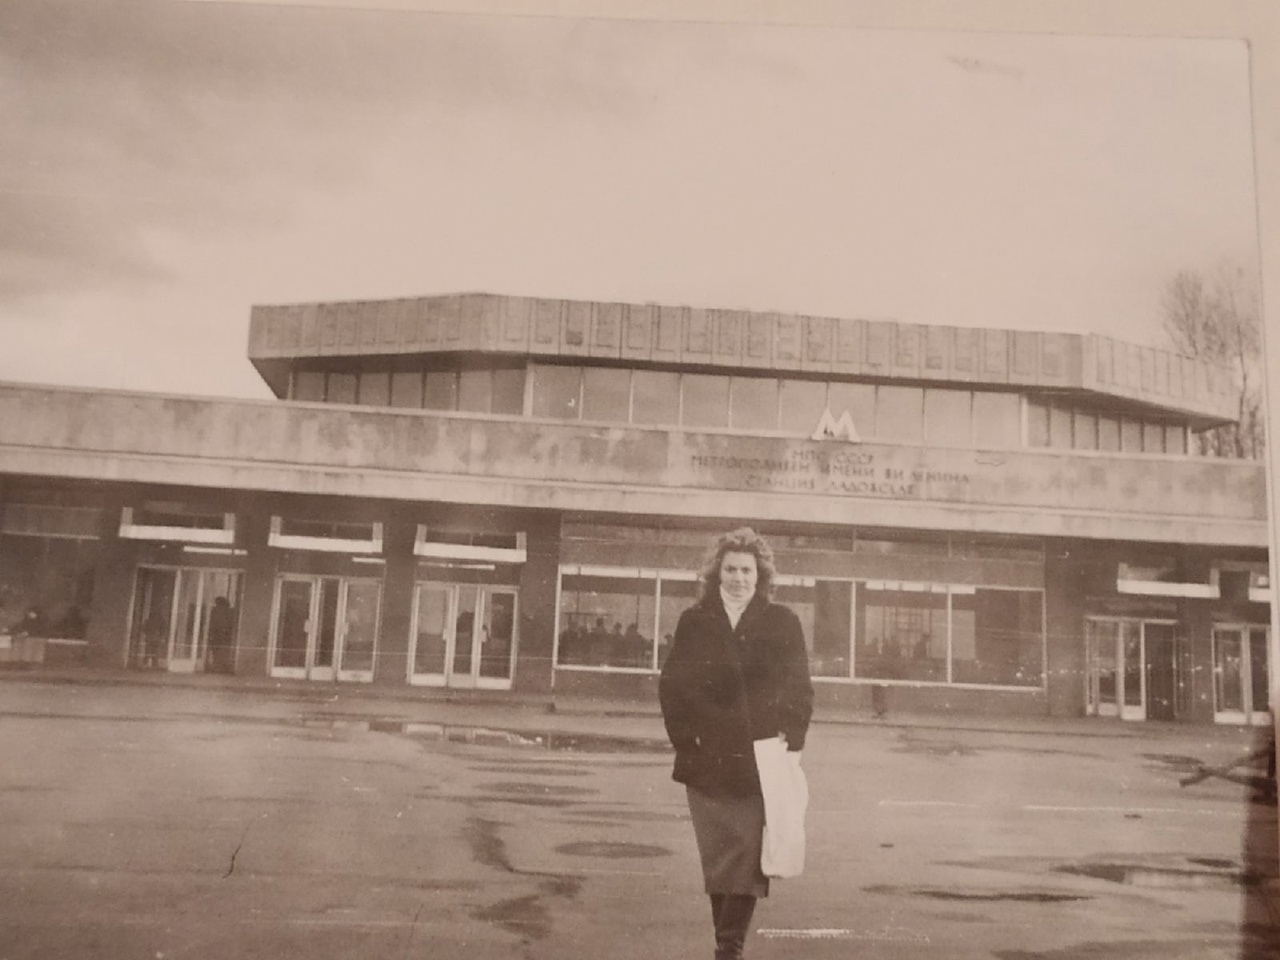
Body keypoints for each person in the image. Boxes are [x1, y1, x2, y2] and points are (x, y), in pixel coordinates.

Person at [659, 527, 814, 960]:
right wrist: (685, 739)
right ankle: (725, 943)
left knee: (746, 856)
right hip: (706, 759)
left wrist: (791, 736)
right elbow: (672, 686)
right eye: (731, 569)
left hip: (758, 759)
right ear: (717, 573)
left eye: (747, 570)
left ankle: (729, 948)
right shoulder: (695, 621)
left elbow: (799, 685)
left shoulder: (782, 621)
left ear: (760, 575)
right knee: (719, 858)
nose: (739, 578)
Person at [206, 596, 235, 674]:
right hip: (225, 634)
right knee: (223, 652)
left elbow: (213, 623)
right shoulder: (230, 611)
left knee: (216, 651)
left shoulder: (215, 611)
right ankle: (221, 667)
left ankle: (217, 667)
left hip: (217, 634)